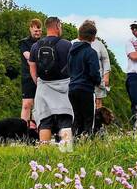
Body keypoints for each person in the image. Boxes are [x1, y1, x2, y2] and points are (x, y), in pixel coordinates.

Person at [29, 17, 74, 146]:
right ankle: (66, 151)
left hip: (43, 87)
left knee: (44, 120)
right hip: (64, 87)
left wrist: (39, 84)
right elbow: (72, 66)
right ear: (57, 26)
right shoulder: (67, 45)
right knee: (65, 118)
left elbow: (32, 69)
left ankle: (44, 153)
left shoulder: (35, 46)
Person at [68, 20, 103, 137]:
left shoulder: (71, 52)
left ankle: (73, 143)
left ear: (79, 35)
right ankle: (85, 144)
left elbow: (68, 69)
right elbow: (94, 72)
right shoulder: (91, 52)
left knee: (77, 118)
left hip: (72, 88)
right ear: (93, 38)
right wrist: (98, 82)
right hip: (85, 89)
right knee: (88, 119)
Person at [19, 18, 43, 121]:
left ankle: (35, 130)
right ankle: (22, 129)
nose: (37, 33)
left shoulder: (44, 42)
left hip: (41, 76)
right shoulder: (24, 43)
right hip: (27, 77)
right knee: (27, 104)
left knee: (38, 106)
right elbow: (28, 56)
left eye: (39, 31)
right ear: (30, 29)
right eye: (35, 31)